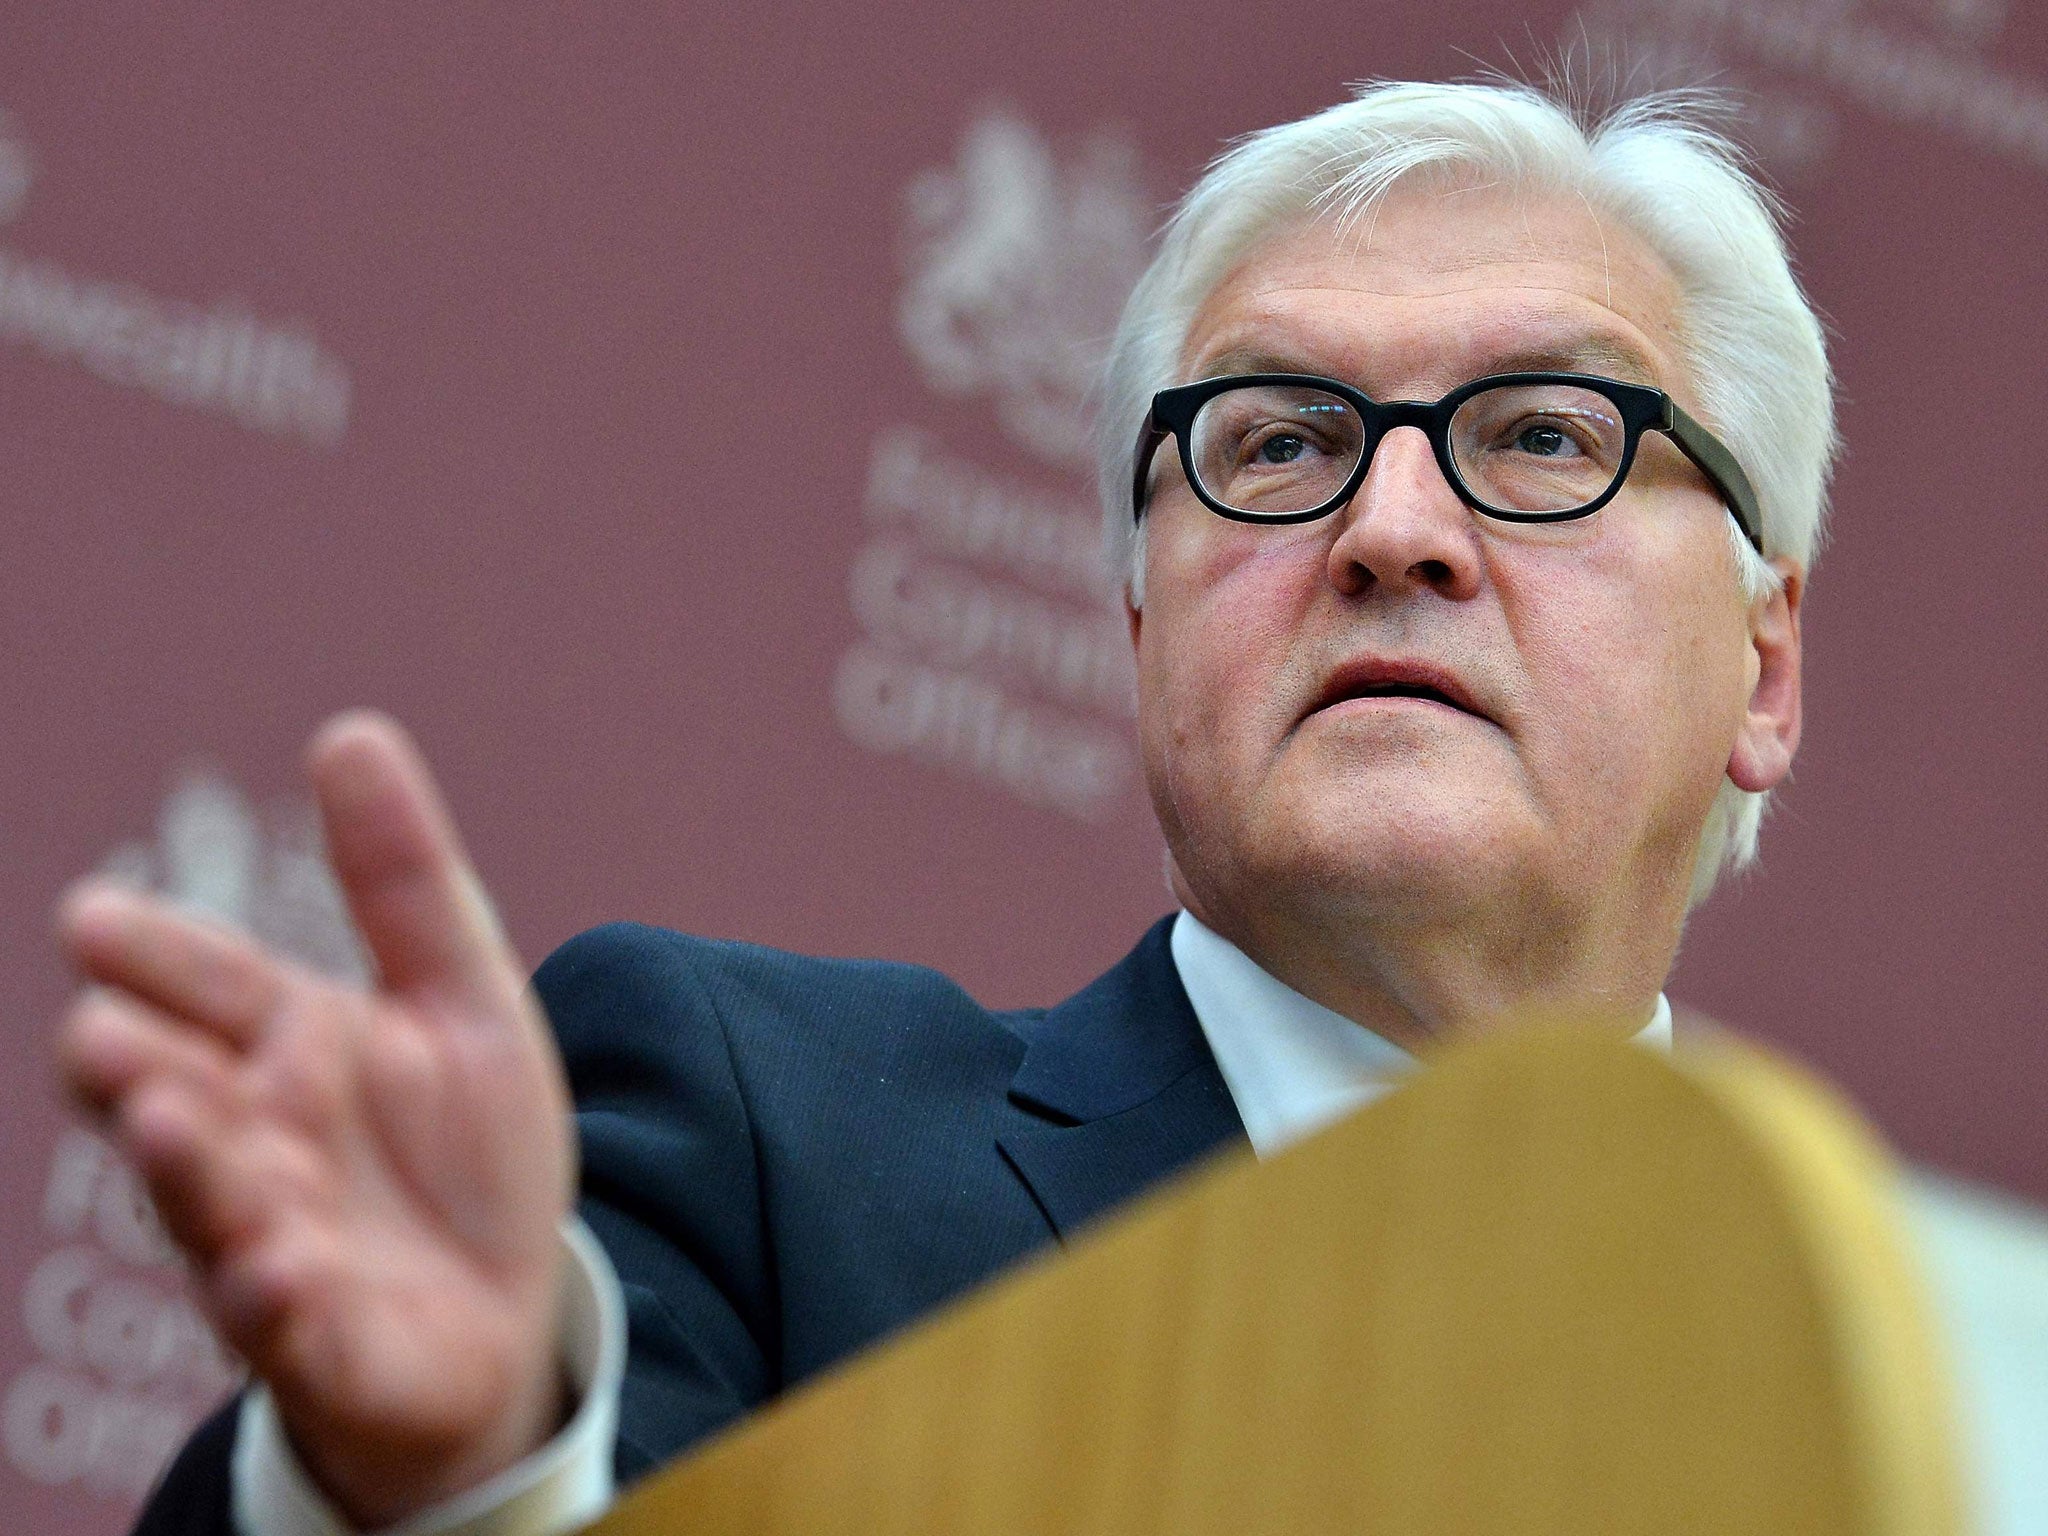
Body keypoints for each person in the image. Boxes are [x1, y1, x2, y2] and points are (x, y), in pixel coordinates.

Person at [58, 77, 1828, 1536]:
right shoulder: (756, 1143)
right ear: (1145, 628)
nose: (1390, 529)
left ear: (1763, 665)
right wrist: (459, 1480)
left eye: (1542, 434)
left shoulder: (1922, 1420)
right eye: (1279, 445)